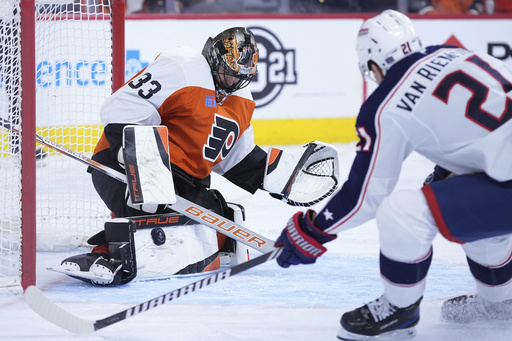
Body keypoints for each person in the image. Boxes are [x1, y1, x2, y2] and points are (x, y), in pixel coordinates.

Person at [274, 9, 512, 340]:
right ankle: (500, 304)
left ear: (373, 64)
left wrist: (314, 229)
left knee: (400, 212)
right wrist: (451, 171)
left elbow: (365, 197)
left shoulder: (387, 102)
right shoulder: (456, 54)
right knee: (470, 204)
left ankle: (399, 312)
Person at [55, 27, 338, 286]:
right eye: (229, 73)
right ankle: (105, 254)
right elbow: (120, 107)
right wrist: (143, 161)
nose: (233, 82)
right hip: (122, 168)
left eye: (241, 77)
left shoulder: (241, 101)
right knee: (153, 211)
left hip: (183, 186)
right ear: (214, 59)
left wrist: (282, 177)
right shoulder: (183, 67)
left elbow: (236, 157)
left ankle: (143, 239)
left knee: (215, 220)